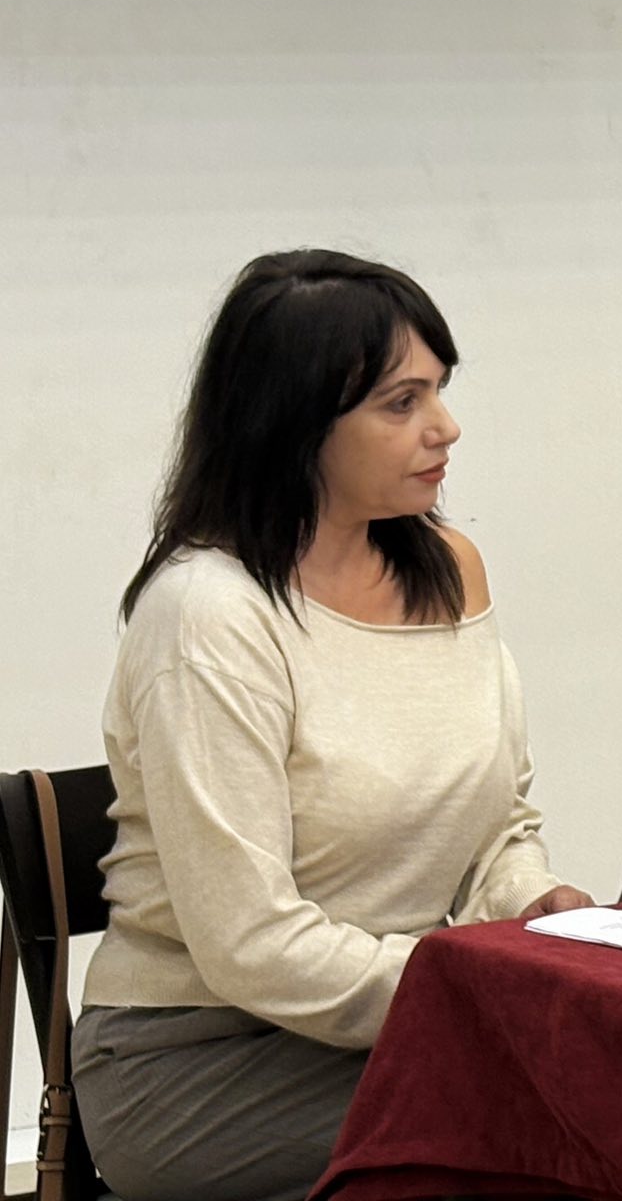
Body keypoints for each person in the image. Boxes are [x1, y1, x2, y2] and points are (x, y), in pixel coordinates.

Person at [74, 250, 592, 1201]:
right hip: (197, 1063)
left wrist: (531, 903)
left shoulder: (448, 568)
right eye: (401, 403)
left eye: (439, 391)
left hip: (403, 1021)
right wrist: (479, 986)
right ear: (293, 423)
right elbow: (250, 945)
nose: (445, 427)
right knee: (575, 1124)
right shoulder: (208, 615)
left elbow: (497, 827)